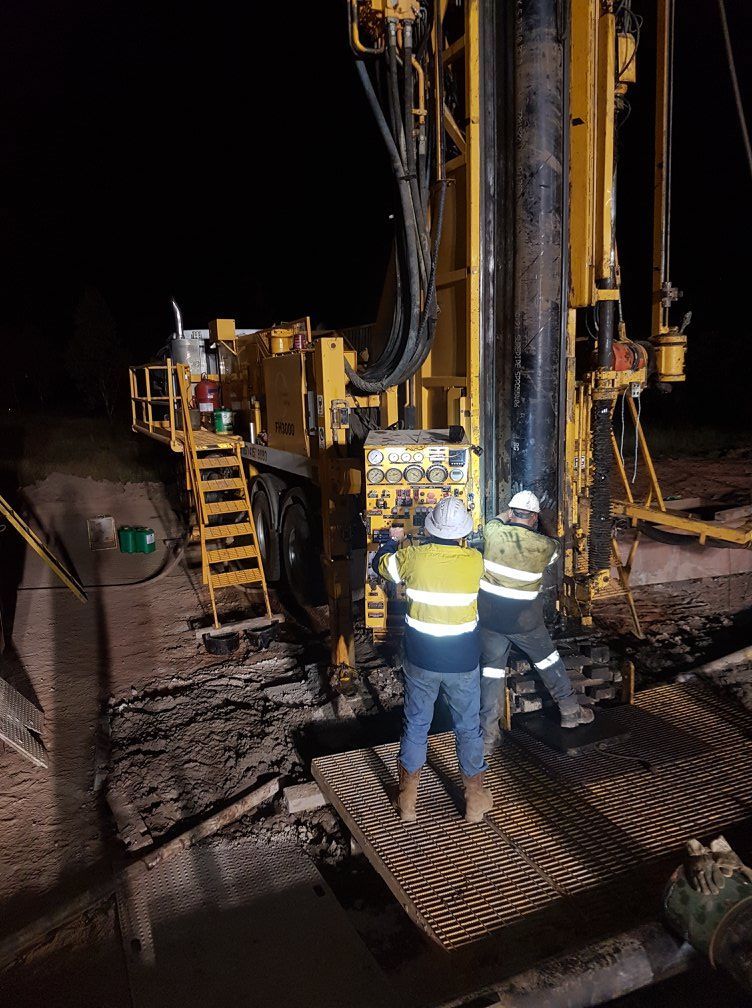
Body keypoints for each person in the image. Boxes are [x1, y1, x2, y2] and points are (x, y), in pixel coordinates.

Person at [372, 496, 492, 824]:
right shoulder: (474, 561)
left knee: (416, 724)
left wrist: (390, 543)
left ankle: (407, 801)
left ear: (430, 528)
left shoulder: (413, 558)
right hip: (463, 659)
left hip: (422, 658)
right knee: (468, 726)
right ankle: (475, 800)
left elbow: (380, 566)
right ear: (463, 532)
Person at [478, 490, 594, 754]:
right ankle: (570, 712)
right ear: (533, 518)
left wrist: (506, 514)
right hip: (525, 621)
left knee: (491, 674)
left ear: (511, 513)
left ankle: (488, 738)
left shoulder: (493, 532)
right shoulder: (544, 546)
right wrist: (547, 519)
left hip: (490, 621)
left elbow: (495, 521)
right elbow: (556, 544)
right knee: (548, 661)